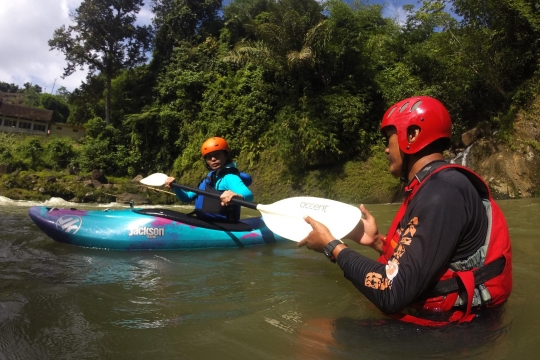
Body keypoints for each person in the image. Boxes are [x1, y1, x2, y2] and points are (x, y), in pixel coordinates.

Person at [298, 96, 512, 326]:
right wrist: (376, 243)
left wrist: (332, 246)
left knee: (313, 332)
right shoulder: (435, 185)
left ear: (411, 135)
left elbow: (392, 293)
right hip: (448, 318)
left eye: (389, 138)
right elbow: (426, 254)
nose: (385, 149)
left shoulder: (440, 193)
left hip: (459, 327)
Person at [165, 137, 253, 222]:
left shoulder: (229, 177)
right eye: (209, 157)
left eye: (217, 154)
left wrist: (237, 197)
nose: (213, 159)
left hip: (224, 226)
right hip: (206, 223)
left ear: (226, 156)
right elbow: (186, 197)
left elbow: (248, 195)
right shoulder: (208, 178)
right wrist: (175, 186)